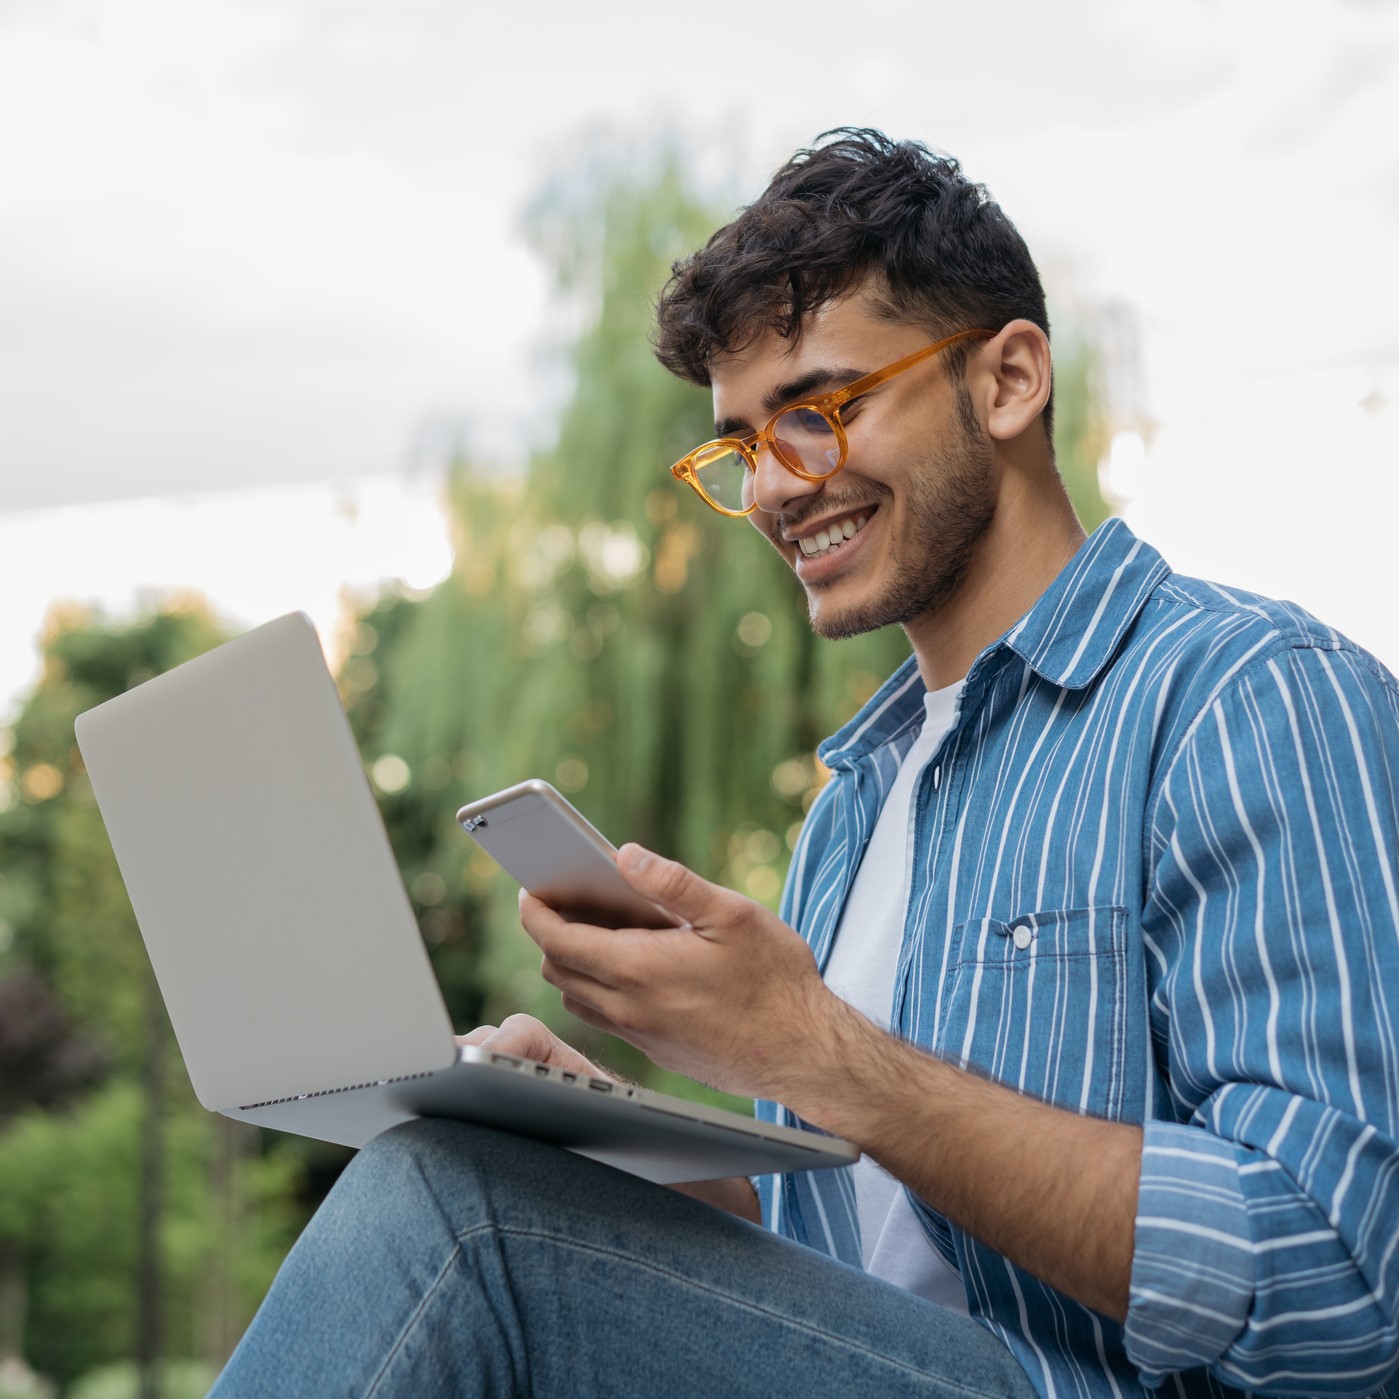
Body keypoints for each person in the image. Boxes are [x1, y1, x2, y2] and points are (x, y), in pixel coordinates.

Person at [211, 129, 1399, 1397]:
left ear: (1006, 381)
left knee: (452, 1209)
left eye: (820, 412)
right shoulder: (857, 803)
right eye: (742, 444)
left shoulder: (1250, 693)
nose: (779, 487)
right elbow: (854, 1271)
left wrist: (807, 1046)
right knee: (485, 1173)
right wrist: (612, 1141)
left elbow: (1344, 1283)